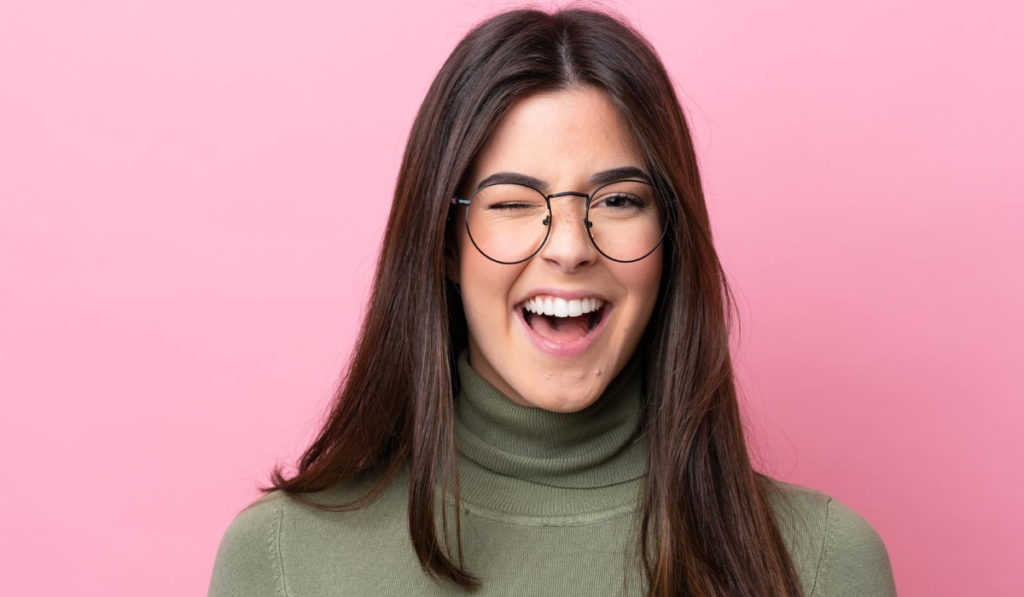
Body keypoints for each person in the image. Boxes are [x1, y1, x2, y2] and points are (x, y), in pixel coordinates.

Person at [208, 7, 897, 597]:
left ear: (670, 238)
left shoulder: (826, 563)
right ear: (445, 244)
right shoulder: (282, 561)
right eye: (512, 201)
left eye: (619, 200)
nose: (570, 246)